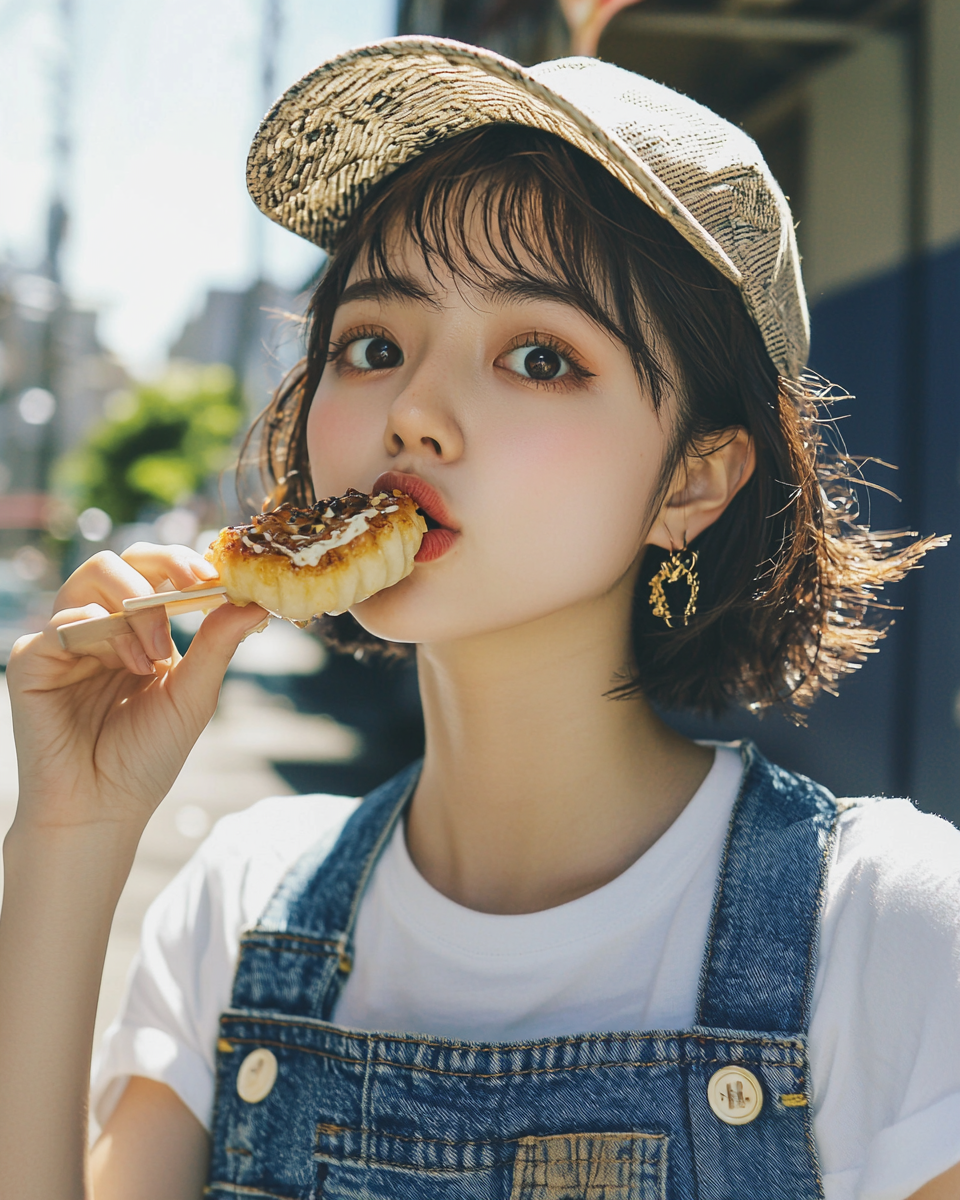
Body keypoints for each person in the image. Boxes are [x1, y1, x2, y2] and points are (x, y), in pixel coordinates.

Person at [1, 36, 959, 1200]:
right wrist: (67, 836)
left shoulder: (888, 929)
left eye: (541, 355)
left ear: (693, 482)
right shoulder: (242, 905)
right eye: (372, 345)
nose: (413, 410)